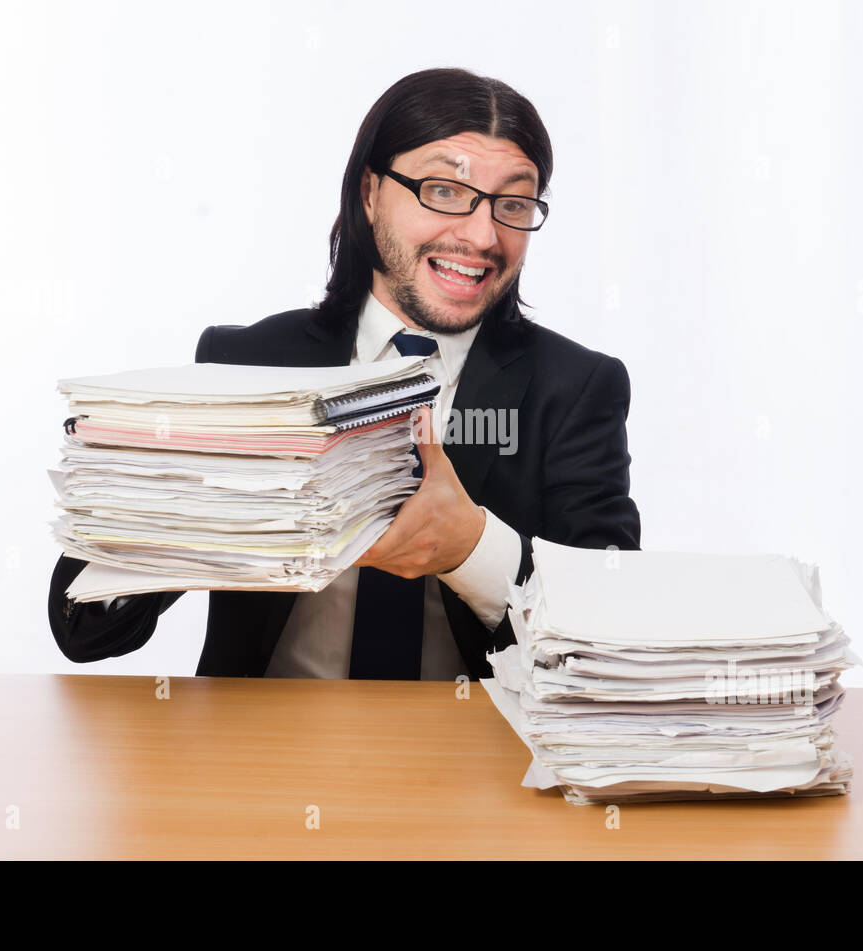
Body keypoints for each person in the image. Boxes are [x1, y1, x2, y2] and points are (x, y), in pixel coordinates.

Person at [48, 67, 641, 680]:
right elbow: (85, 630)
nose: (482, 234)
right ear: (368, 192)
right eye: (443, 191)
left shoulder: (576, 388)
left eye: (512, 203)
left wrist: (473, 549)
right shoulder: (249, 362)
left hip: (474, 757)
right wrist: (172, 507)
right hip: (264, 756)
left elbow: (612, 644)